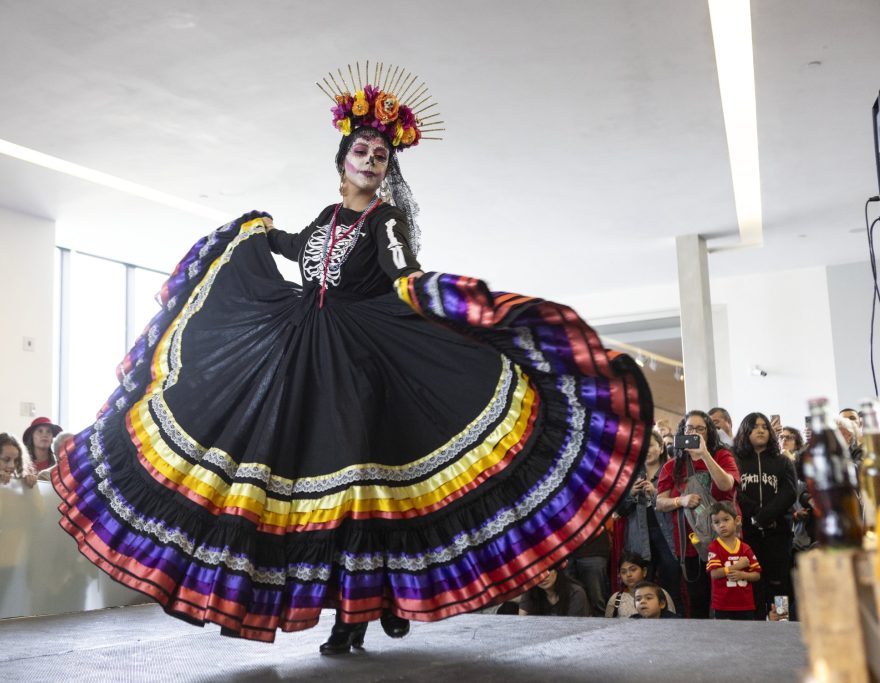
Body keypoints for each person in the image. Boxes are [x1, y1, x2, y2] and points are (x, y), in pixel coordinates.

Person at [52, 63, 653, 645]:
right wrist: (253, 230)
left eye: (380, 156)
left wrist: (445, 301)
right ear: (341, 163)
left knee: (361, 489)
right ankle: (353, 603)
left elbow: (402, 273)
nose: (370, 161)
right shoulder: (326, 215)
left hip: (360, 358)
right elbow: (294, 246)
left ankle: (365, 611)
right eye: (362, 152)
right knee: (296, 475)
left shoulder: (385, 219)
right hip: (297, 350)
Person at [656, 410, 739, 618]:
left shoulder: (722, 455)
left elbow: (726, 485)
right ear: (682, 432)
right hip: (690, 544)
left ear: (709, 432)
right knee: (697, 598)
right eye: (689, 429)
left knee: (727, 597)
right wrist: (680, 500)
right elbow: (659, 502)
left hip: (723, 539)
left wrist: (704, 455)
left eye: (700, 429)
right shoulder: (672, 465)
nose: (694, 432)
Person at [732, 412, 796, 619]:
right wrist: (755, 516)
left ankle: (783, 623)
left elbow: (789, 492)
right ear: (745, 431)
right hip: (748, 536)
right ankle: (757, 627)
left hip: (778, 533)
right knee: (754, 584)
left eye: (764, 427)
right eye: (755, 426)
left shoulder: (783, 461)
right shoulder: (736, 461)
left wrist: (764, 517)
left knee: (780, 585)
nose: (760, 430)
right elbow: (735, 492)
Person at [613, 430, 678, 608]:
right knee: (642, 584)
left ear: (661, 446)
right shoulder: (630, 474)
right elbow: (618, 511)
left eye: (649, 445)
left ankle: (674, 620)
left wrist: (656, 493)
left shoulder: (672, 470)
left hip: (667, 535)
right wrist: (631, 494)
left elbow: (679, 503)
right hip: (638, 537)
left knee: (672, 580)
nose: (645, 450)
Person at [706, 501, 761, 620]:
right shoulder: (714, 548)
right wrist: (738, 566)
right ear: (713, 527)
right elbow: (714, 574)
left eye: (726, 520)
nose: (721, 525)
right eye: (717, 522)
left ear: (737, 520)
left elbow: (757, 575)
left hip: (745, 605)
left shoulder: (745, 548)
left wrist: (743, 575)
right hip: (723, 605)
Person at [605, 552, 676, 618]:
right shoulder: (616, 598)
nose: (628, 575)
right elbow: (609, 626)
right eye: (623, 572)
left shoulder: (661, 593)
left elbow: (672, 620)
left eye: (633, 570)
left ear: (644, 571)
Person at [518, 567, 591, 617]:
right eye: (537, 573)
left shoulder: (575, 593)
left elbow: (574, 628)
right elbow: (522, 623)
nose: (543, 577)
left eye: (548, 571)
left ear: (557, 571)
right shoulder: (531, 591)